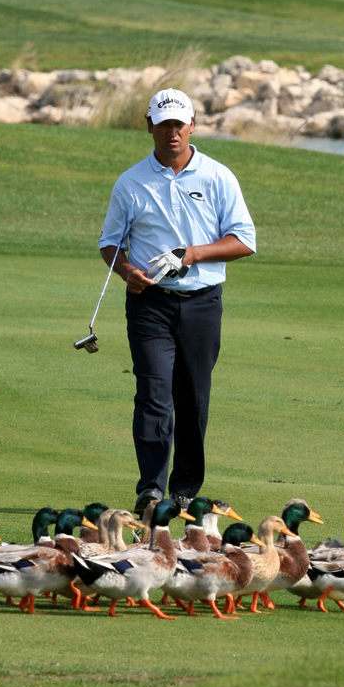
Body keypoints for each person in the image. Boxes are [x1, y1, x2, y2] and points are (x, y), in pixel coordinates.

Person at [98, 88, 256, 515]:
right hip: (149, 303)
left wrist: (194, 253)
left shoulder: (218, 177)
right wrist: (128, 272)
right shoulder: (131, 182)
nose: (172, 132)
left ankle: (184, 489)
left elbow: (244, 241)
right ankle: (150, 488)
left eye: (179, 124)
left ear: (192, 126)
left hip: (202, 303)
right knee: (152, 393)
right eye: (164, 124)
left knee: (192, 398)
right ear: (150, 126)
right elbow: (110, 244)